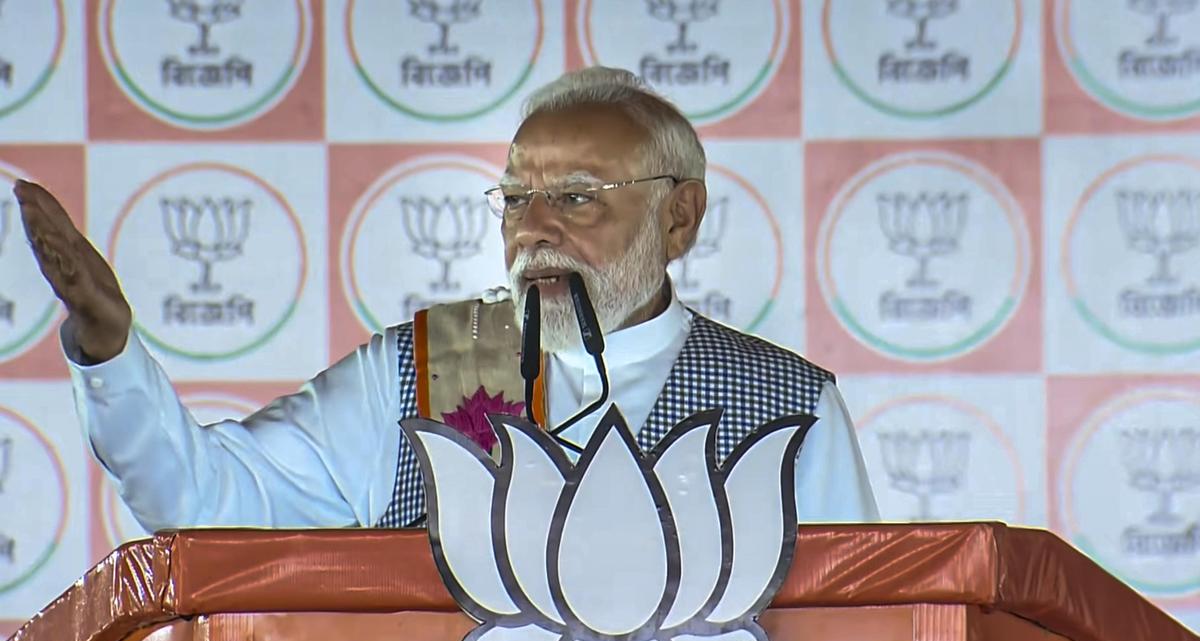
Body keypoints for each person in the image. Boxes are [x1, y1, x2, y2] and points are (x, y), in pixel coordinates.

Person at [15, 66, 878, 531]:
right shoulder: (427, 369)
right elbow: (209, 503)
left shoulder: (791, 404)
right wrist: (110, 348)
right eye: (516, 199)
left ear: (678, 217)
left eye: (576, 198)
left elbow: (859, 631)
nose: (534, 228)